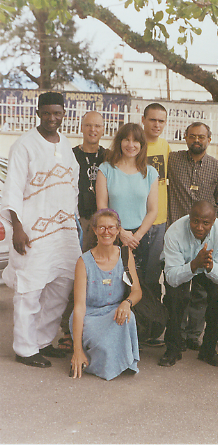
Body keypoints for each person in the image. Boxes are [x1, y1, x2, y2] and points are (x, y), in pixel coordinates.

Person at [2, 91, 81, 368]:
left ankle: (43, 341)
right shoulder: (24, 145)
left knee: (61, 286)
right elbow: (12, 189)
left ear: (63, 114)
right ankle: (24, 349)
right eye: (46, 113)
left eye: (57, 113)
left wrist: (73, 221)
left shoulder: (66, 143)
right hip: (33, 231)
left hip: (64, 232)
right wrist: (18, 229)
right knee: (30, 289)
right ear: (38, 113)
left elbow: (73, 186)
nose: (52, 118)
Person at [167, 121, 218, 351]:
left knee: (200, 289)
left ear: (209, 140)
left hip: (204, 235)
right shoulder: (173, 161)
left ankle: (194, 334)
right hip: (178, 235)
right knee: (178, 287)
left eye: (201, 137)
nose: (197, 140)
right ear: (185, 138)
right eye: (192, 136)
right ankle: (177, 334)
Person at [69, 209, 141, 380]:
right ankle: (85, 357)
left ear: (117, 230)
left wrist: (127, 302)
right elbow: (79, 308)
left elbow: (137, 291)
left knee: (127, 317)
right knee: (104, 340)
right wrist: (76, 350)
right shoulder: (83, 262)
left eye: (111, 228)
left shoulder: (125, 254)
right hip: (90, 316)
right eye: (101, 228)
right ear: (94, 230)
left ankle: (108, 359)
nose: (106, 232)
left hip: (114, 311)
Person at [160, 201, 218, 367]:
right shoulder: (174, 232)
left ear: (213, 222)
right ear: (189, 218)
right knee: (175, 297)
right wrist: (194, 264)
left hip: (207, 266)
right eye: (195, 221)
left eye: (205, 223)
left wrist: (210, 266)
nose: (199, 227)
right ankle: (173, 348)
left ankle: (208, 349)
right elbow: (171, 277)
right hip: (182, 266)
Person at [58, 110, 108, 353]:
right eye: (88, 125)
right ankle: (68, 330)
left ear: (103, 128)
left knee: (98, 277)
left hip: (102, 224)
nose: (93, 130)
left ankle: (94, 328)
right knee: (74, 275)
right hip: (77, 220)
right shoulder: (71, 154)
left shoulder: (109, 157)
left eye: (97, 126)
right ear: (81, 127)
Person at [96, 123, 159, 280]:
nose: (131, 145)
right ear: (119, 142)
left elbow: (152, 210)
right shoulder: (106, 169)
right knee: (111, 281)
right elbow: (102, 207)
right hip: (111, 234)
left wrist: (135, 237)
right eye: (126, 140)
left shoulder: (150, 172)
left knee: (137, 284)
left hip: (139, 239)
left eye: (135, 141)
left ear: (142, 145)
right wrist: (120, 233)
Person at [142, 103, 171, 307]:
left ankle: (151, 325)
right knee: (133, 275)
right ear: (143, 120)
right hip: (136, 221)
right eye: (152, 119)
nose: (157, 124)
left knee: (153, 276)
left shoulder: (165, 146)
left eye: (161, 121)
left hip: (160, 221)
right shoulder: (132, 144)